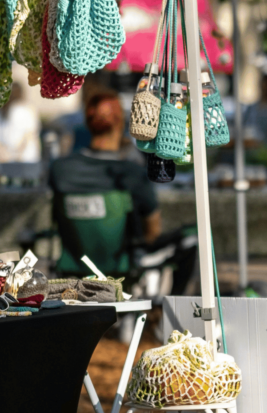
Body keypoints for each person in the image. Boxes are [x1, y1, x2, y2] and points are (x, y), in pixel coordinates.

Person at [47, 92, 196, 292]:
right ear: (120, 124)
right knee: (192, 238)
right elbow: (153, 231)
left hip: (73, 272)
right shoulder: (129, 173)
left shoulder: (60, 170)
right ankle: (160, 312)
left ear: (88, 124)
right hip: (122, 271)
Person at [0, 80, 43, 180]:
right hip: (26, 164)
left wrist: (8, 160)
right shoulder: (27, 111)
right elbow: (29, 137)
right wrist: (13, 159)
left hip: (15, 164)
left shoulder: (2, 113)